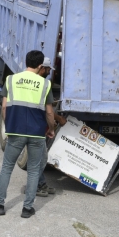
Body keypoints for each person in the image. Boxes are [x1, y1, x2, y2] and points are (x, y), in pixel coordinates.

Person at [0, 50, 55, 219]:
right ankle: (27, 209)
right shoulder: (45, 85)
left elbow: (4, 108)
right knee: (33, 171)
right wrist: (51, 129)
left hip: (15, 130)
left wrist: (9, 126)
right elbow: (49, 113)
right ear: (40, 66)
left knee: (7, 168)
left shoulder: (11, 80)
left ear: (26, 62)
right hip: (37, 134)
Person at [35, 57, 67, 197]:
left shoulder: (34, 82)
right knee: (39, 159)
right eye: (48, 69)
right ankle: (35, 187)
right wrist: (57, 121)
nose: (49, 72)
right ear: (42, 67)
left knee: (39, 158)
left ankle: (40, 184)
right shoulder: (43, 84)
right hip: (35, 128)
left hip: (34, 127)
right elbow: (46, 111)